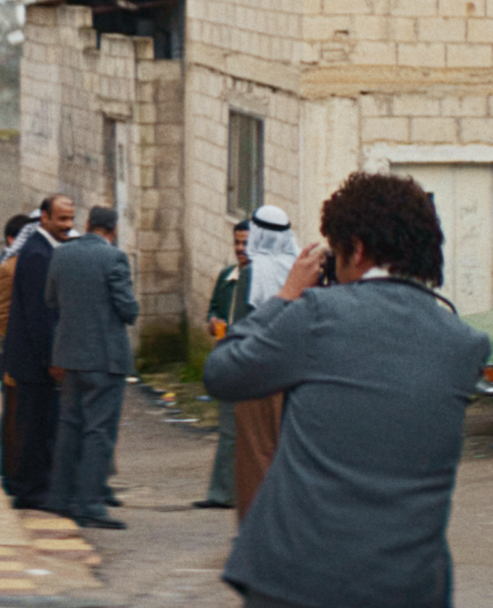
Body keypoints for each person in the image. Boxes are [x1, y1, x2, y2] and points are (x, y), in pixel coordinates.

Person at [205, 172, 490, 608]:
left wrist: (285, 296)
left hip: (295, 577)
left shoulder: (318, 314)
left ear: (355, 249)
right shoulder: (465, 345)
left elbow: (223, 374)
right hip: (408, 584)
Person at [45, 205, 137, 530]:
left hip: (70, 356)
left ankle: (60, 497)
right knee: (99, 430)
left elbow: (51, 300)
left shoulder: (61, 255)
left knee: (70, 425)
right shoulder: (114, 258)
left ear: (87, 224)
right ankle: (90, 504)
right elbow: (128, 309)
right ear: (113, 229)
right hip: (105, 358)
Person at [2, 193, 75, 511]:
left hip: (35, 360)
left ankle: (38, 487)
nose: (67, 225)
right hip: (34, 362)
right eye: (61, 219)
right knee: (35, 427)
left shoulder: (45, 250)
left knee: (42, 425)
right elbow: (40, 315)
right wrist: (52, 359)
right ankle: (32, 491)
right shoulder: (37, 255)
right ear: (44, 218)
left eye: (70, 219)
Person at [231, 204, 298, 520]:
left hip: (257, 376)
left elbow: (240, 328)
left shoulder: (252, 272)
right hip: (293, 375)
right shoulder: (297, 269)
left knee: (255, 455)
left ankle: (256, 527)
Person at [194, 219, 250, 510]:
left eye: (245, 243)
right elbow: (214, 309)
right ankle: (222, 492)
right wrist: (213, 322)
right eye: (237, 242)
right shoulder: (228, 276)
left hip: (250, 360)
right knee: (228, 426)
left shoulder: (258, 279)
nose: (240, 248)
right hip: (227, 356)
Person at [0, 213, 31, 496]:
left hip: (9, 353)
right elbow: (1, 315)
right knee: (13, 412)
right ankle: (10, 470)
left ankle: (11, 468)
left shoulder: (6, 261)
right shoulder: (6, 265)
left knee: (13, 411)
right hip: (9, 353)